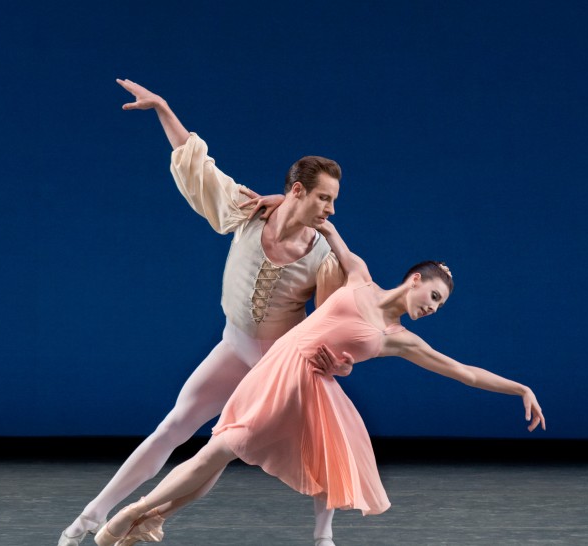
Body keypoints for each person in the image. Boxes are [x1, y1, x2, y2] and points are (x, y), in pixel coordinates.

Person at [92, 220, 547, 546]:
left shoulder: (401, 340)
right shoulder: (360, 277)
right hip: (279, 368)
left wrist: (520, 388)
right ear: (413, 281)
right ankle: (143, 515)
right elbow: (322, 222)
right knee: (221, 451)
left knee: (254, 450)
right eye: (433, 296)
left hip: (310, 387)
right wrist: (280, 201)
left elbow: (464, 372)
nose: (432, 308)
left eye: (439, 305)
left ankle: (140, 515)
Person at [57, 79, 352, 546]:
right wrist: (163, 109)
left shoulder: (323, 255)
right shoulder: (249, 211)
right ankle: (89, 518)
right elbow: (200, 169)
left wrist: (330, 357)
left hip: (278, 365)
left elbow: (332, 316)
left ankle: (323, 536)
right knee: (173, 426)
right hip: (234, 346)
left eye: (334, 201)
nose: (331, 209)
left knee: (316, 441)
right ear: (297, 190)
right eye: (324, 198)